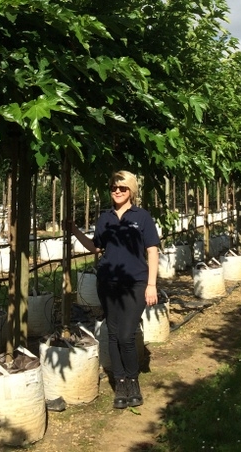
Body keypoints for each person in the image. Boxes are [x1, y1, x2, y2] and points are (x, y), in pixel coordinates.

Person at [69, 170, 160, 409]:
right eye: (113, 187)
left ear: (132, 191)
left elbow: (152, 251)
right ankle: (119, 382)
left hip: (136, 282)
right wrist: (75, 231)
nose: (117, 191)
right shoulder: (105, 218)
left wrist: (152, 285)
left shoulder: (142, 217)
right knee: (112, 332)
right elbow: (96, 247)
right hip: (108, 282)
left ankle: (132, 380)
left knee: (126, 335)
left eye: (122, 188)